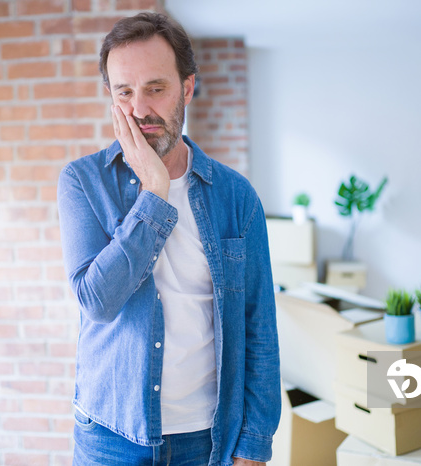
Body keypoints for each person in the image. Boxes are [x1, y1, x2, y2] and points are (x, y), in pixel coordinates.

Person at [57, 12, 280, 466]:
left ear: (187, 88)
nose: (139, 109)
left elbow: (259, 328)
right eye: (125, 92)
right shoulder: (82, 182)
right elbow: (97, 301)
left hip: (208, 438)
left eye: (156, 88)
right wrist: (154, 195)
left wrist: (254, 446)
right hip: (110, 437)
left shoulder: (237, 197)